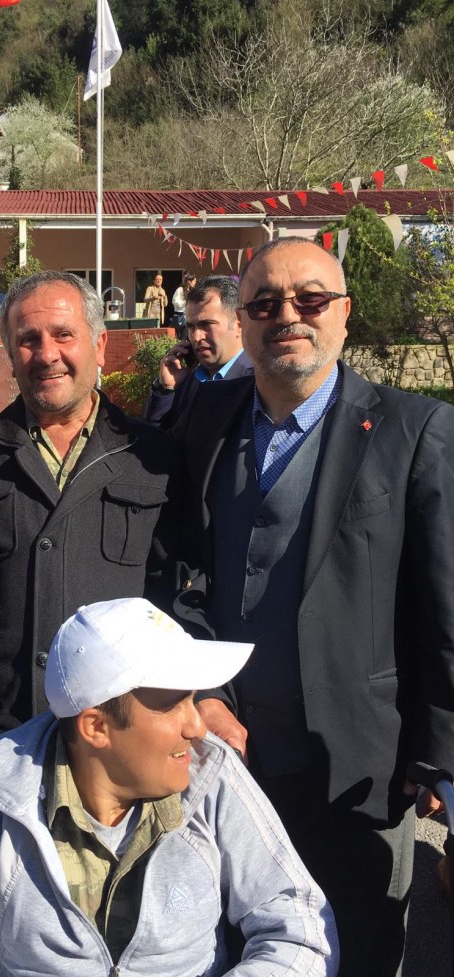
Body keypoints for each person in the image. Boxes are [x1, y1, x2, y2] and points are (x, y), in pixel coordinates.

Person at [172, 235, 454, 977]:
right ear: (243, 319)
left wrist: (441, 750)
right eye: (265, 303)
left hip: (358, 762)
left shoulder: (414, 429)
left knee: (357, 947)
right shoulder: (205, 417)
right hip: (227, 756)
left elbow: (445, 606)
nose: (287, 315)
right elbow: (182, 566)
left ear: (343, 313)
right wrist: (202, 690)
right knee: (236, 946)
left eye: (310, 299)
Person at [0, 598, 338, 977]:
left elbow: (299, 925)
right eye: (172, 704)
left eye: (194, 699)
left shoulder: (212, 772)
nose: (197, 726)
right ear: (95, 727)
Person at [0, 270, 182, 777]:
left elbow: (177, 592)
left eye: (64, 334)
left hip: (121, 739)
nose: (47, 353)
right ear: (11, 356)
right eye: (28, 339)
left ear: (99, 345)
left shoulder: (153, 457)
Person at [144, 275, 253, 428]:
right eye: (191, 327)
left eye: (207, 325)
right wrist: (166, 389)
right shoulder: (191, 380)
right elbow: (158, 438)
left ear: (239, 324)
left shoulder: (257, 383)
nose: (196, 337)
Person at [171, 270, 196, 334]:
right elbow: (175, 301)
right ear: (189, 282)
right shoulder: (180, 289)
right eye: (194, 281)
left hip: (189, 317)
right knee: (181, 336)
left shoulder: (192, 291)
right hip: (180, 316)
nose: (195, 283)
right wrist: (185, 302)